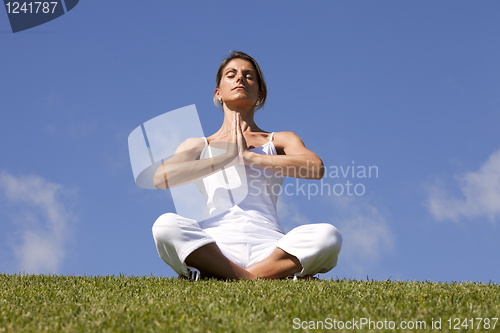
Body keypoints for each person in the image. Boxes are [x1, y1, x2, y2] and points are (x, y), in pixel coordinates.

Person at [151, 51, 342, 280]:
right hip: (216, 246)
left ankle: (221, 275)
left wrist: (249, 157)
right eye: (231, 74)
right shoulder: (198, 144)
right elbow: (161, 178)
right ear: (218, 93)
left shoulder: (279, 139)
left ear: (260, 95)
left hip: (270, 247)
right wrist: (223, 158)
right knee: (165, 226)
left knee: (329, 236)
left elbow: (315, 168)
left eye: (249, 76)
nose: (240, 78)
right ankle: (262, 277)